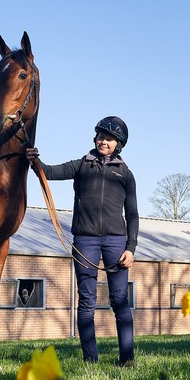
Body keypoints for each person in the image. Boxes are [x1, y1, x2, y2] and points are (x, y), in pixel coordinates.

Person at [26, 116, 139, 365]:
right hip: (85, 240)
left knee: (120, 300)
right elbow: (49, 172)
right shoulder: (81, 165)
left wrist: (131, 248)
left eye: (109, 139)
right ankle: (90, 359)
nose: (103, 141)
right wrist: (35, 160)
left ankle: (127, 358)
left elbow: (132, 215)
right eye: (100, 136)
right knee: (86, 300)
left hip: (116, 241)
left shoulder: (126, 174)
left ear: (118, 144)